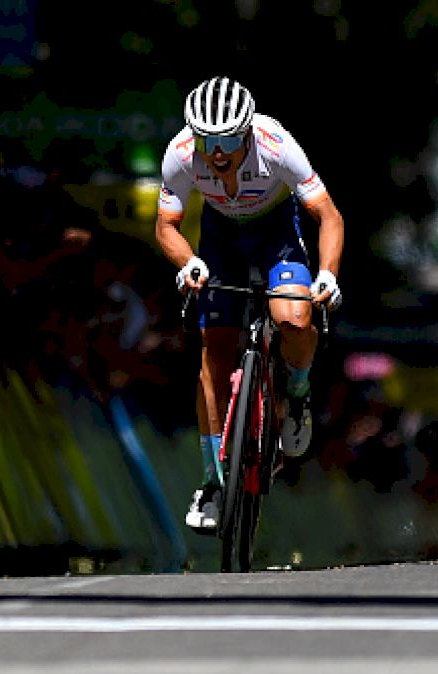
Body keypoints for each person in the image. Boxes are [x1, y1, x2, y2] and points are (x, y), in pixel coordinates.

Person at [154, 76, 345, 533]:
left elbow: (329, 216)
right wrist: (188, 262)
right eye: (207, 140)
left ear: (247, 131)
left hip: (276, 234)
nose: (216, 151)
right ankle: (211, 482)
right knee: (214, 350)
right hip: (220, 239)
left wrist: (327, 274)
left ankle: (296, 392)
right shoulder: (180, 153)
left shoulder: (277, 145)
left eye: (228, 139)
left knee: (294, 319)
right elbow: (166, 226)